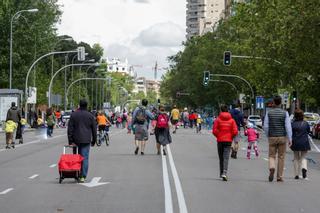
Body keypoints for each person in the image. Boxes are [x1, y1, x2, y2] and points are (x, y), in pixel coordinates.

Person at [263, 95, 292, 182]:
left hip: (272, 137)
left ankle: (272, 167)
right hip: (282, 137)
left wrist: (268, 135)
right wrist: (290, 138)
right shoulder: (285, 113)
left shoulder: (269, 113)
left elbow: (266, 126)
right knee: (281, 157)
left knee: (272, 156)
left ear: (274, 103)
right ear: (281, 102)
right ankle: (279, 176)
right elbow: (288, 126)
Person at [68, 99, 97, 183]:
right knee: (84, 158)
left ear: (79, 105)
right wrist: (94, 140)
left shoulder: (74, 115)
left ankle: (76, 173)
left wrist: (70, 140)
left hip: (75, 140)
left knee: (76, 157)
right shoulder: (90, 116)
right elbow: (94, 129)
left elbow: (70, 128)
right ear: (86, 105)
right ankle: (82, 176)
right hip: (86, 140)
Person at [212, 105, 238, 181]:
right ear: (228, 110)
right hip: (228, 141)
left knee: (221, 158)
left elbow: (214, 130)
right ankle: (224, 173)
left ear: (221, 110)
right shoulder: (232, 120)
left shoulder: (218, 119)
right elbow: (235, 131)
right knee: (226, 157)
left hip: (220, 141)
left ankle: (221, 173)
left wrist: (218, 136)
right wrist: (231, 137)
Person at [290, 109, 311, 180]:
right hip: (304, 142)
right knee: (303, 157)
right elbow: (308, 131)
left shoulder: (292, 124)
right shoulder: (305, 123)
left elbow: (290, 133)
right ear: (302, 115)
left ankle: (296, 174)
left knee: (296, 158)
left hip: (295, 142)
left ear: (295, 116)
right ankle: (304, 168)